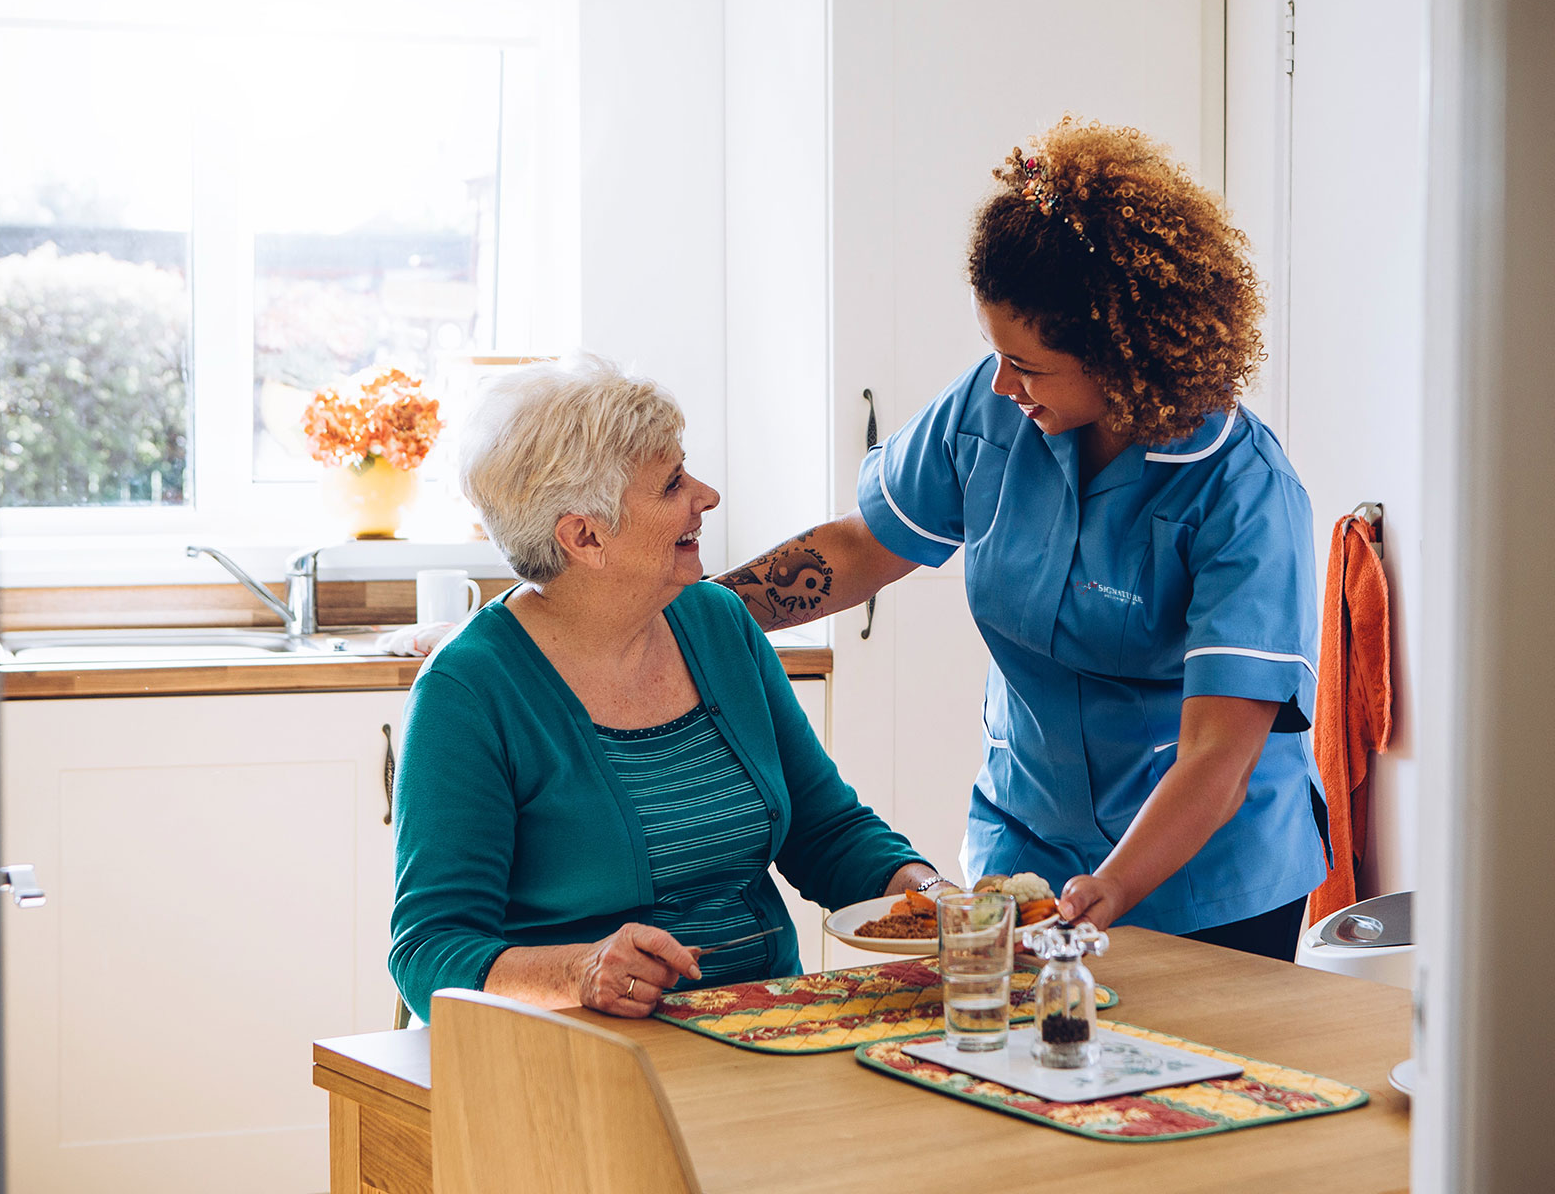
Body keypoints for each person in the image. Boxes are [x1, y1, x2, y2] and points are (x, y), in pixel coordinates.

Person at [717, 118, 1329, 961]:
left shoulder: (1243, 491)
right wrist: (698, 615)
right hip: (1027, 848)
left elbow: (1220, 754)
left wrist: (1112, 888)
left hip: (1204, 879)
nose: (1003, 383)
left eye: (1030, 366)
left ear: (1124, 353)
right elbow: (862, 547)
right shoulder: (994, 406)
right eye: (994, 353)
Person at [389, 357, 942, 1024]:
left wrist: (927, 893)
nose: (705, 496)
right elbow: (429, 951)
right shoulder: (469, 690)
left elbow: (825, 832)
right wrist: (583, 971)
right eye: (672, 483)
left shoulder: (717, 623)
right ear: (585, 536)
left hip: (762, 1027)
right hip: (580, 1056)